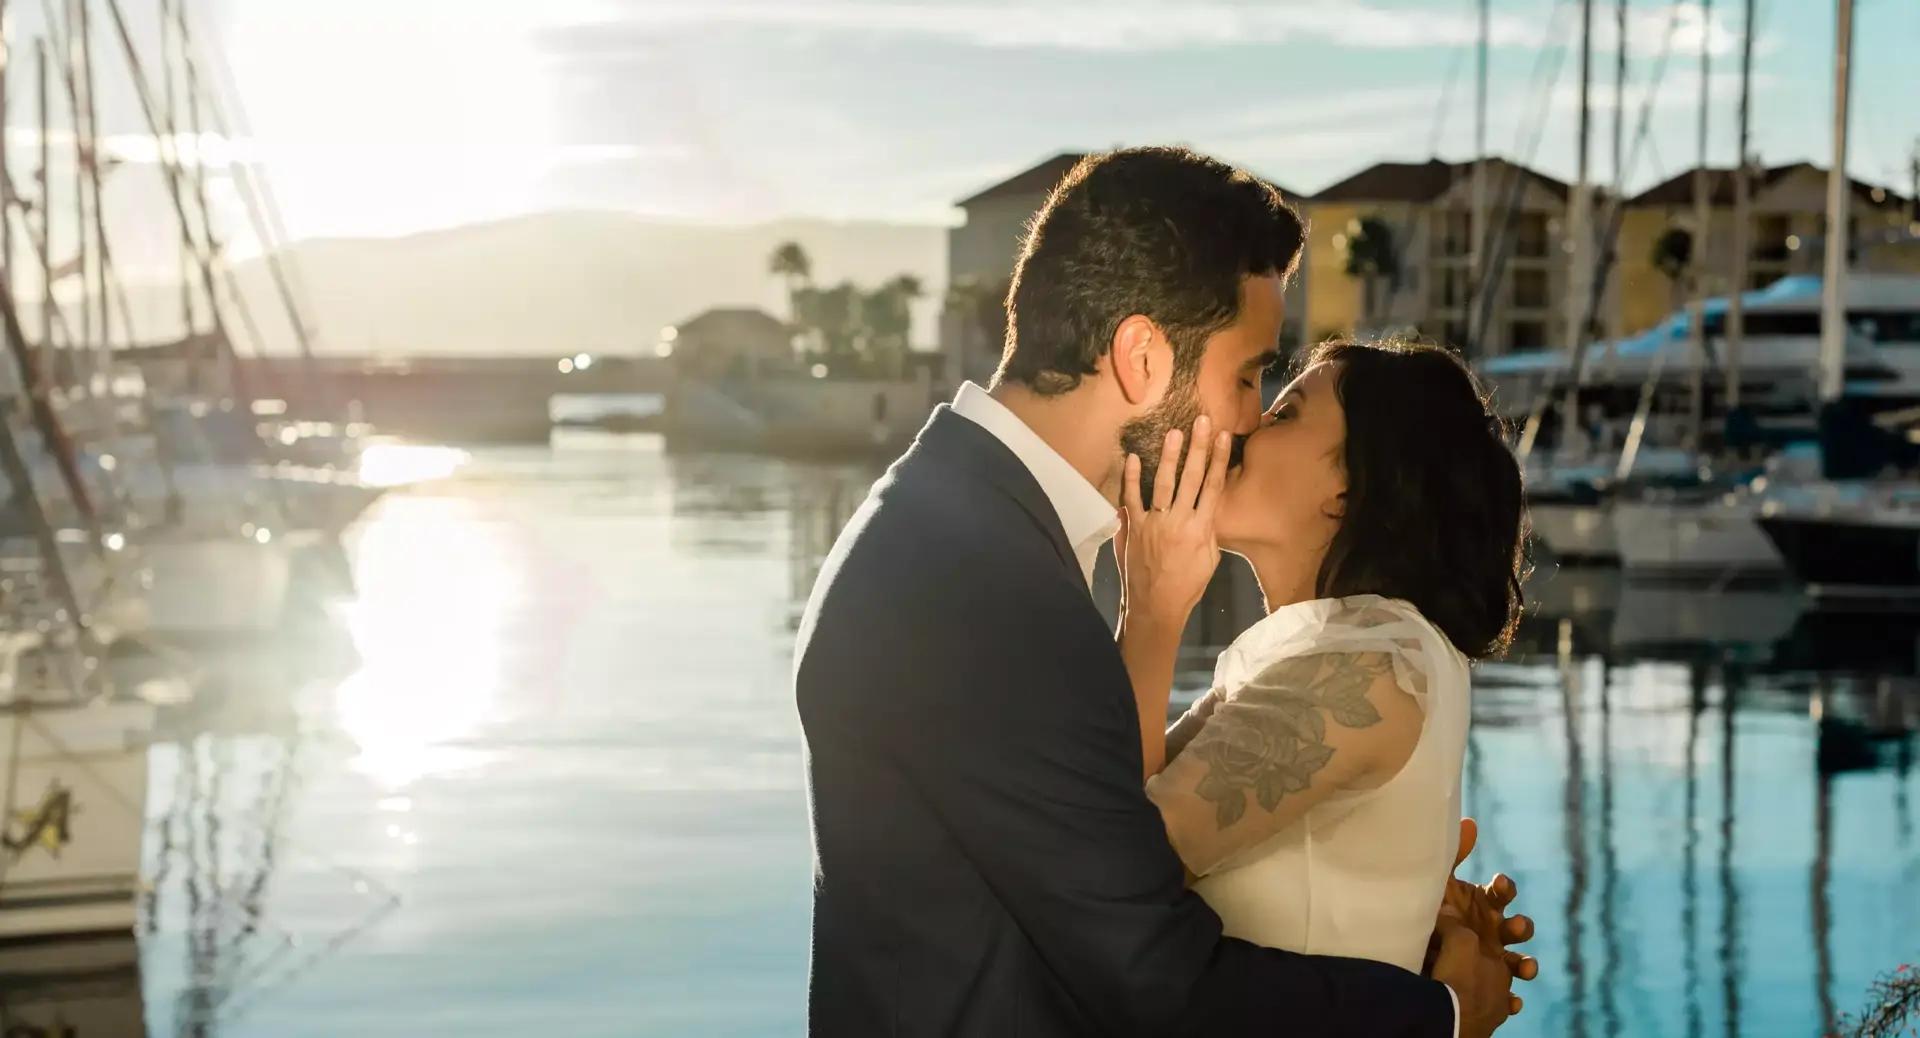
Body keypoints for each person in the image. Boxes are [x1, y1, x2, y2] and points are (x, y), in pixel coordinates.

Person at [794, 146, 1533, 1037]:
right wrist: (1443, 1011)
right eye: (1251, 375)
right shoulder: (979, 586)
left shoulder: (966, 535)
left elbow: (1099, 876)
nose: (1253, 416)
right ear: (1142, 358)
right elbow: (1151, 971)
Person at [1114, 338, 1532, 992]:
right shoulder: (1339, 655)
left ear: (1348, 487)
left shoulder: (1366, 666)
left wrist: (1153, 612)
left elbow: (1114, 871)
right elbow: (1099, 808)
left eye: (1284, 414)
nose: (1246, 427)